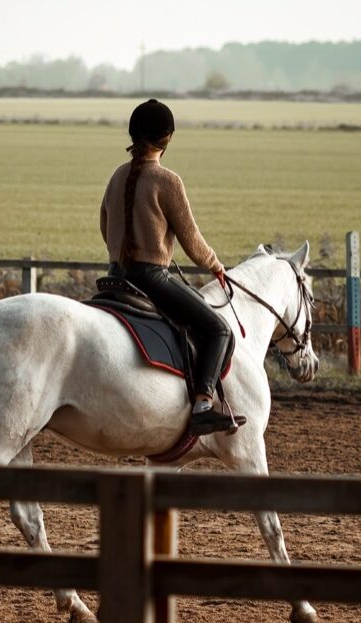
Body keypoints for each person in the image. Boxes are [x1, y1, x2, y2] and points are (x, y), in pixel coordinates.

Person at [99, 98, 244, 436]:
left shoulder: (117, 175)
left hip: (114, 277)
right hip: (150, 278)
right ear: (168, 139)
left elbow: (105, 225)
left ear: (134, 136)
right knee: (218, 329)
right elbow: (191, 239)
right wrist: (215, 265)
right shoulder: (167, 181)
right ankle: (203, 405)